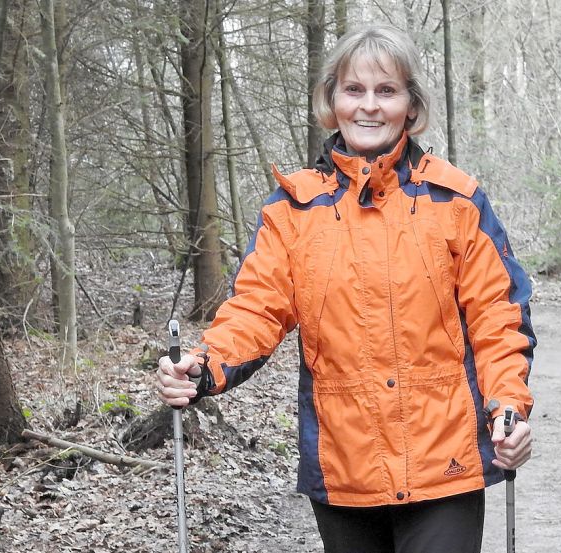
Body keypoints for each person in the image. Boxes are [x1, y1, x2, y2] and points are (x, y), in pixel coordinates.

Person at [156, 24, 535, 553]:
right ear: (331, 101)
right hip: (343, 465)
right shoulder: (292, 210)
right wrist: (204, 365)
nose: (370, 106)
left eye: (387, 91)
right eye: (354, 90)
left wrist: (508, 408)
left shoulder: (458, 201)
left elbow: (497, 319)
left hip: (445, 460)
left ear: (411, 105)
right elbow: (256, 310)